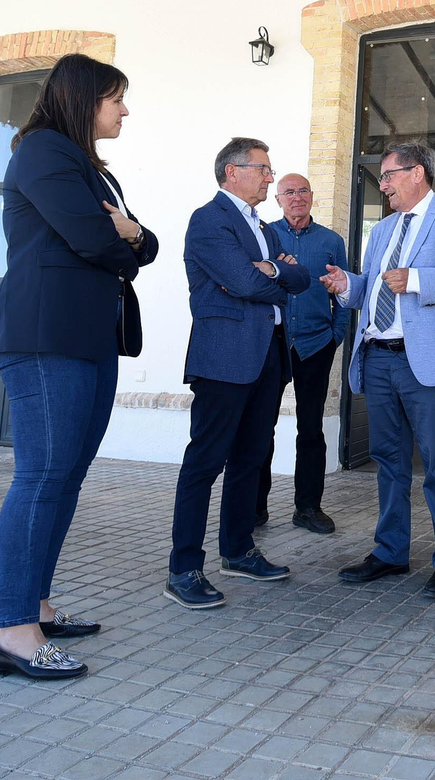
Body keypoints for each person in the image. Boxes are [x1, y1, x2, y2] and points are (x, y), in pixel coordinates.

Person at [0, 53, 159, 680]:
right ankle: (13, 631)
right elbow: (94, 239)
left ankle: (37, 606)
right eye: (116, 98)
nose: (124, 110)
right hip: (44, 335)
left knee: (67, 476)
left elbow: (142, 243)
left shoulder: (89, 165)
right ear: (84, 99)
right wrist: (126, 238)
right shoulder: (43, 150)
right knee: (43, 476)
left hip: (87, 335)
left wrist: (128, 235)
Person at [319, 141, 435, 600]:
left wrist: (416, 279)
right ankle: (391, 551)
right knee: (389, 461)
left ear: (418, 173)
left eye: (389, 175)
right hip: (378, 356)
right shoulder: (382, 229)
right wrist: (347, 285)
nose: (383, 185)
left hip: (428, 361)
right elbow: (373, 289)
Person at [165, 139, 310, 609]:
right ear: (232, 171)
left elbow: (301, 278)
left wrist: (270, 270)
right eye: (263, 169)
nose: (271, 178)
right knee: (205, 462)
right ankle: (183, 569)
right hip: (224, 358)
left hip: (268, 355)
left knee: (252, 456)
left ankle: (239, 550)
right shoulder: (209, 220)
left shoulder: (263, 227)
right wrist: (270, 273)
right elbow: (246, 281)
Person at [262, 173, 348, 535]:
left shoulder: (331, 241)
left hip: (316, 344)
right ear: (278, 199)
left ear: (312, 196)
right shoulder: (265, 236)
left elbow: (343, 292)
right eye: (289, 192)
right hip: (273, 343)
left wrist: (336, 335)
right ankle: (254, 508)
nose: (297, 197)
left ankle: (308, 507)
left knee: (310, 428)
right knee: (260, 426)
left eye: (303, 191)